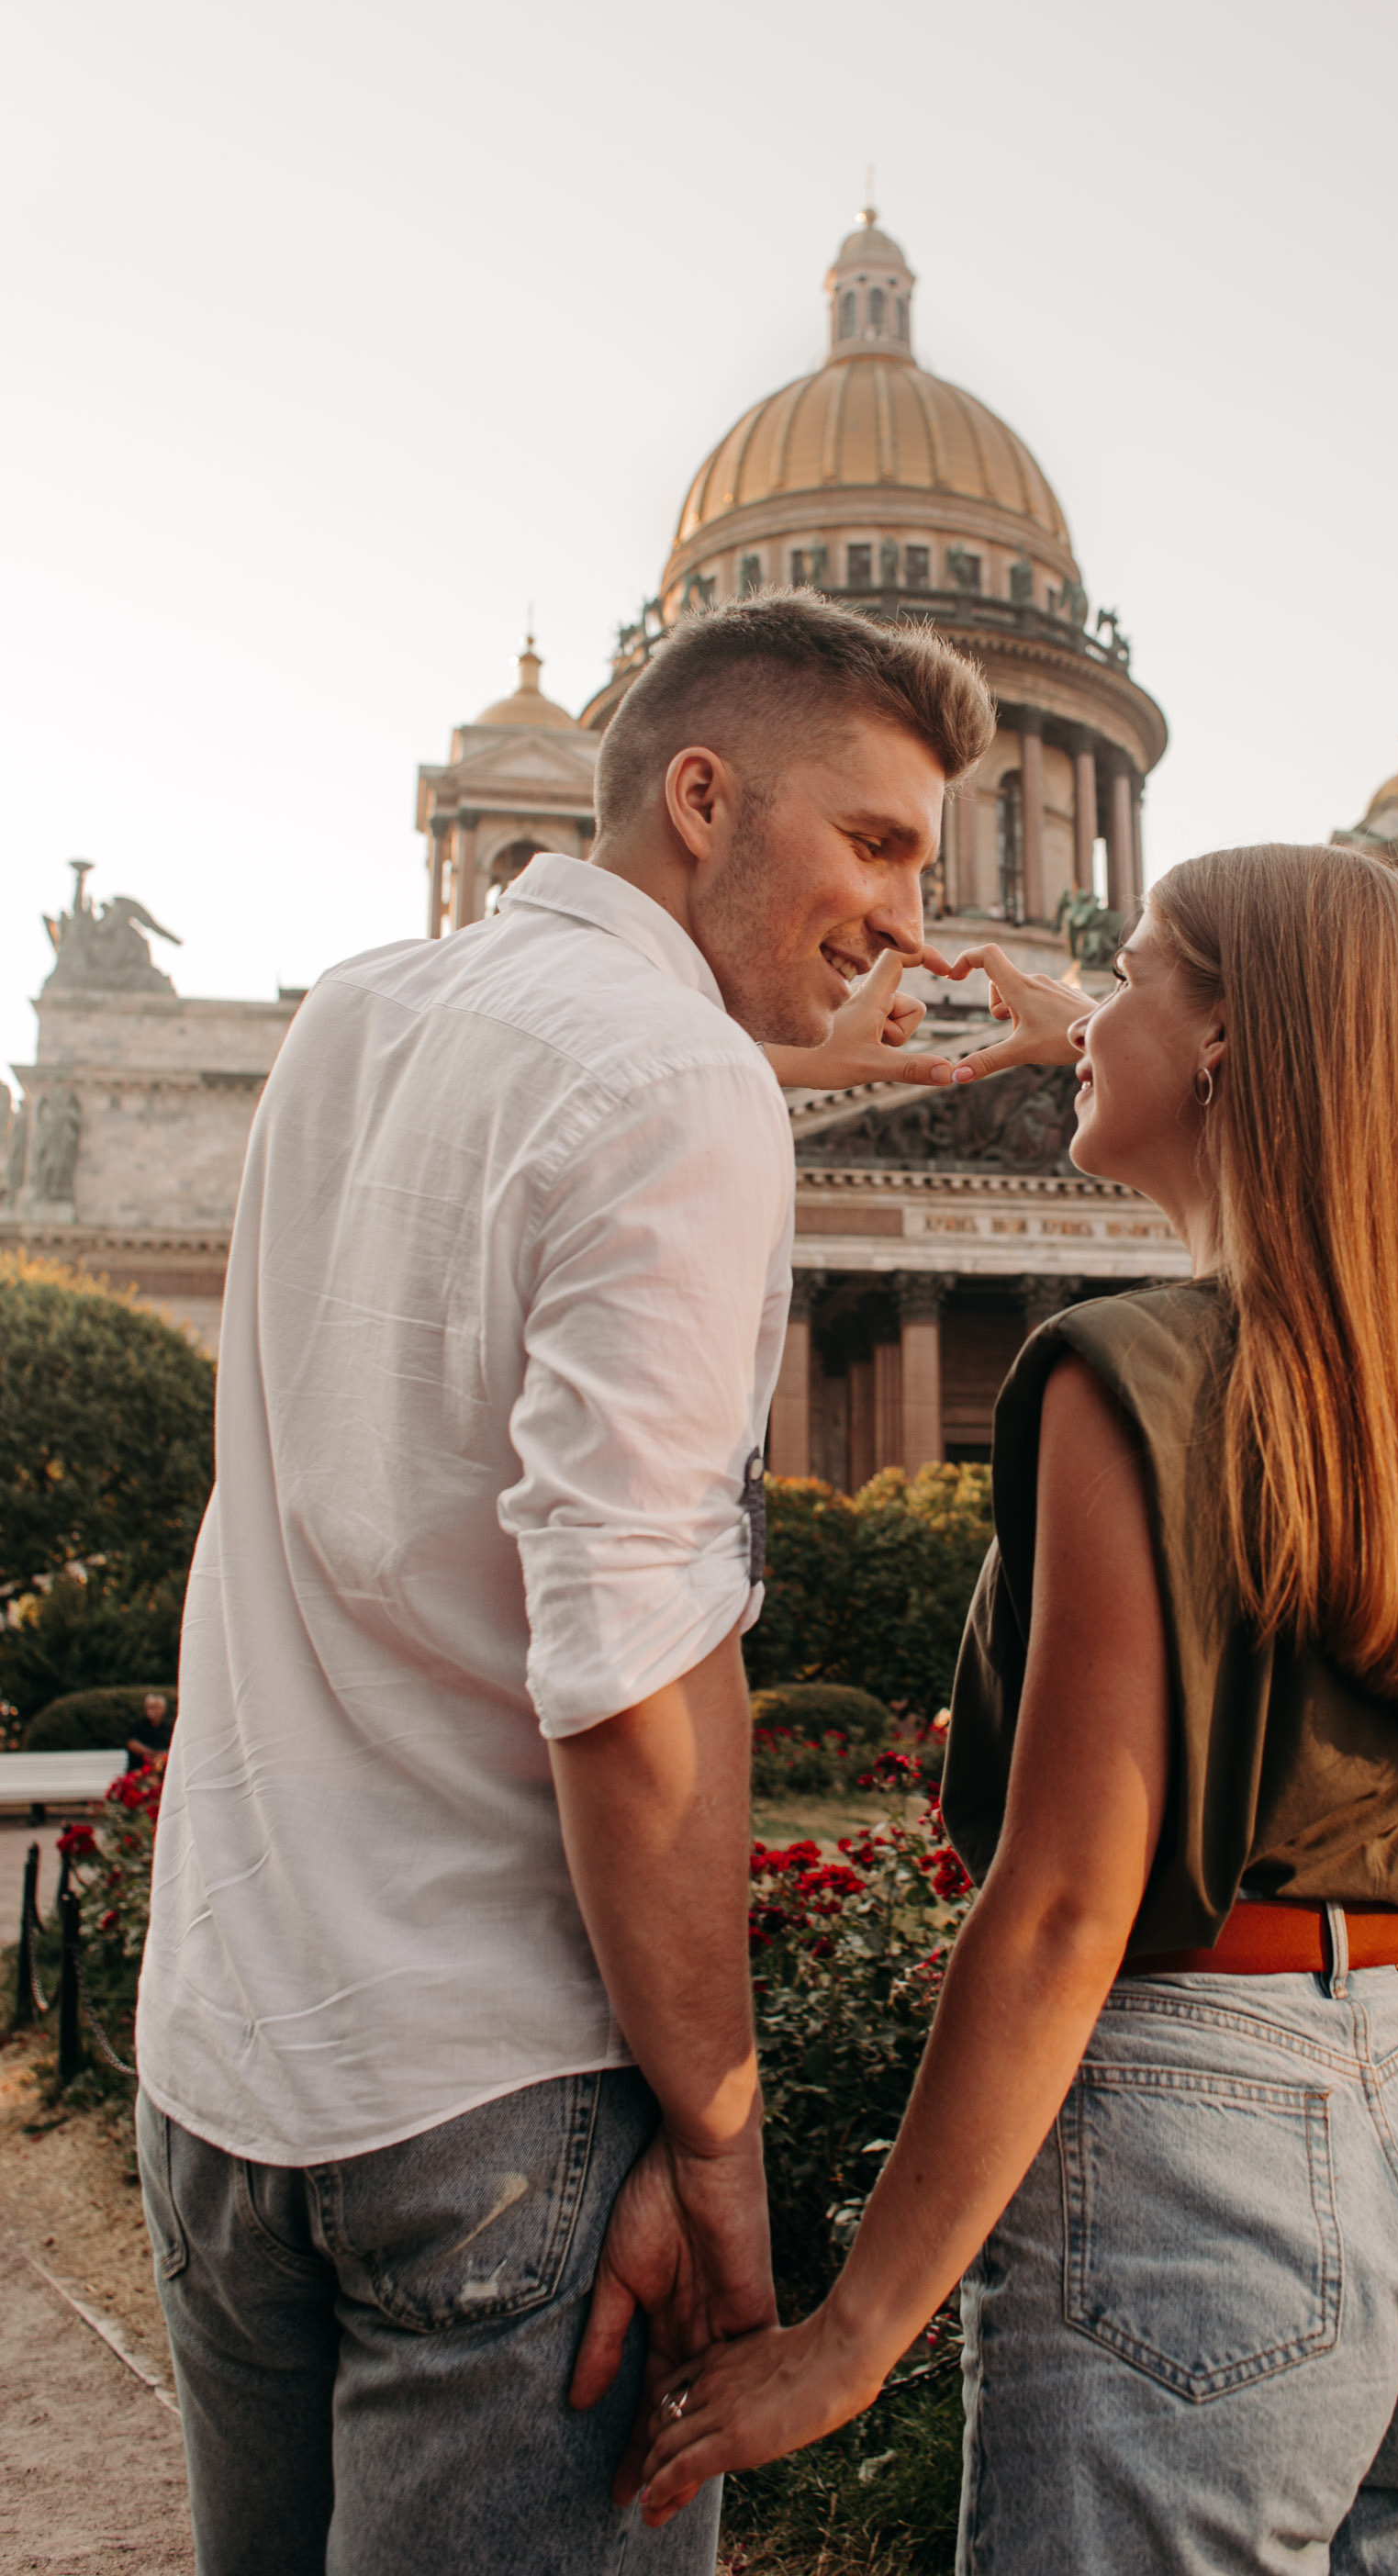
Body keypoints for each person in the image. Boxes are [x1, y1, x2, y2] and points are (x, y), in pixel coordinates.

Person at [133, 588, 995, 2576]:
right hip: (494, 2117)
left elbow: (560, 1127)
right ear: (703, 794)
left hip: (233, 2076)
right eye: (871, 843)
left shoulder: (359, 1015)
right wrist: (715, 2139)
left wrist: (811, 1062)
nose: (897, 911)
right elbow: (632, 1676)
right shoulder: (678, 1097)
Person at [635, 842, 1398, 2573]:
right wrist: (1086, 1024)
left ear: (1224, 1040)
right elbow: (1269, 1075)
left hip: (1207, 2175)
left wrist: (853, 2338)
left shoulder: (1121, 1370)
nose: (1085, 1000)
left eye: (1129, 965)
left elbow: (1069, 1904)